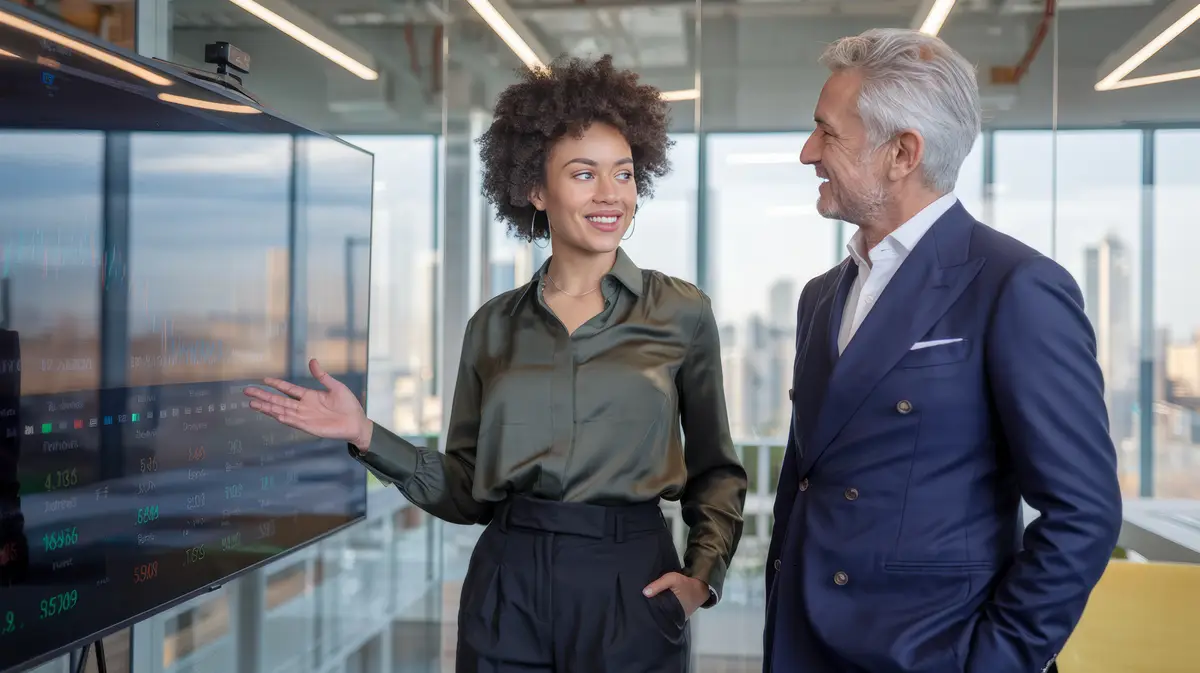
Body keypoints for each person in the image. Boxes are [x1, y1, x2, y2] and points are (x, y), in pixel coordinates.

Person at [246, 54, 747, 673]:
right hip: (509, 581)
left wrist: (702, 576)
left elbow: (717, 470)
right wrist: (364, 434)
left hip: (631, 580)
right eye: (583, 174)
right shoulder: (493, 325)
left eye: (622, 173)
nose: (609, 193)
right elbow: (466, 490)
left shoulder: (681, 312)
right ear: (535, 189)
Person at [763, 28, 1123, 673]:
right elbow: (806, 480)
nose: (807, 152)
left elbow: (1083, 513)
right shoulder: (820, 296)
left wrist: (996, 659)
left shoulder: (1016, 285)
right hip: (804, 647)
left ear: (902, 153)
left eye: (827, 132)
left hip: (933, 652)